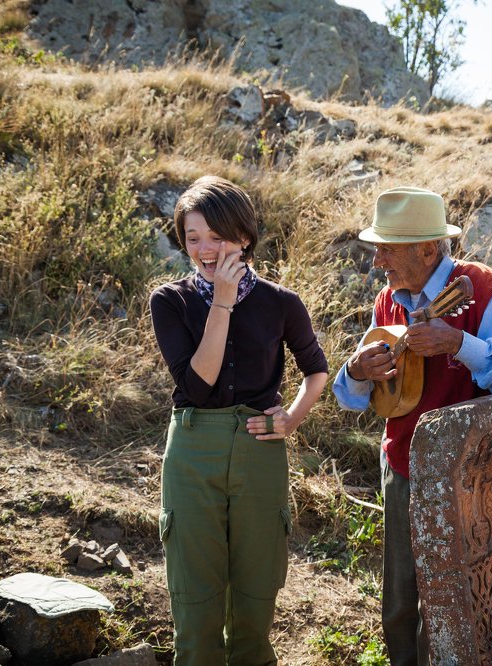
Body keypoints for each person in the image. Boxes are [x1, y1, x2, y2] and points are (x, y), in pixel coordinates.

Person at [333, 186, 492, 665]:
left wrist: (458, 344)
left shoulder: (481, 289)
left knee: (459, 596)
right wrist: (358, 370)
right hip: (403, 466)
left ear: (427, 249)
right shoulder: (387, 301)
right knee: (400, 600)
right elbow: (352, 395)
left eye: (387, 248)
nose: (377, 260)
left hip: (472, 472)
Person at [149, 175, 330, 666]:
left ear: (244, 237)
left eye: (217, 236)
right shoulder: (169, 301)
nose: (205, 250)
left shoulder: (281, 302)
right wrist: (223, 300)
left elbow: (316, 371)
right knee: (195, 592)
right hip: (193, 451)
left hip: (260, 449)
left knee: (256, 589)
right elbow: (198, 384)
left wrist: (291, 419)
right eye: (192, 238)